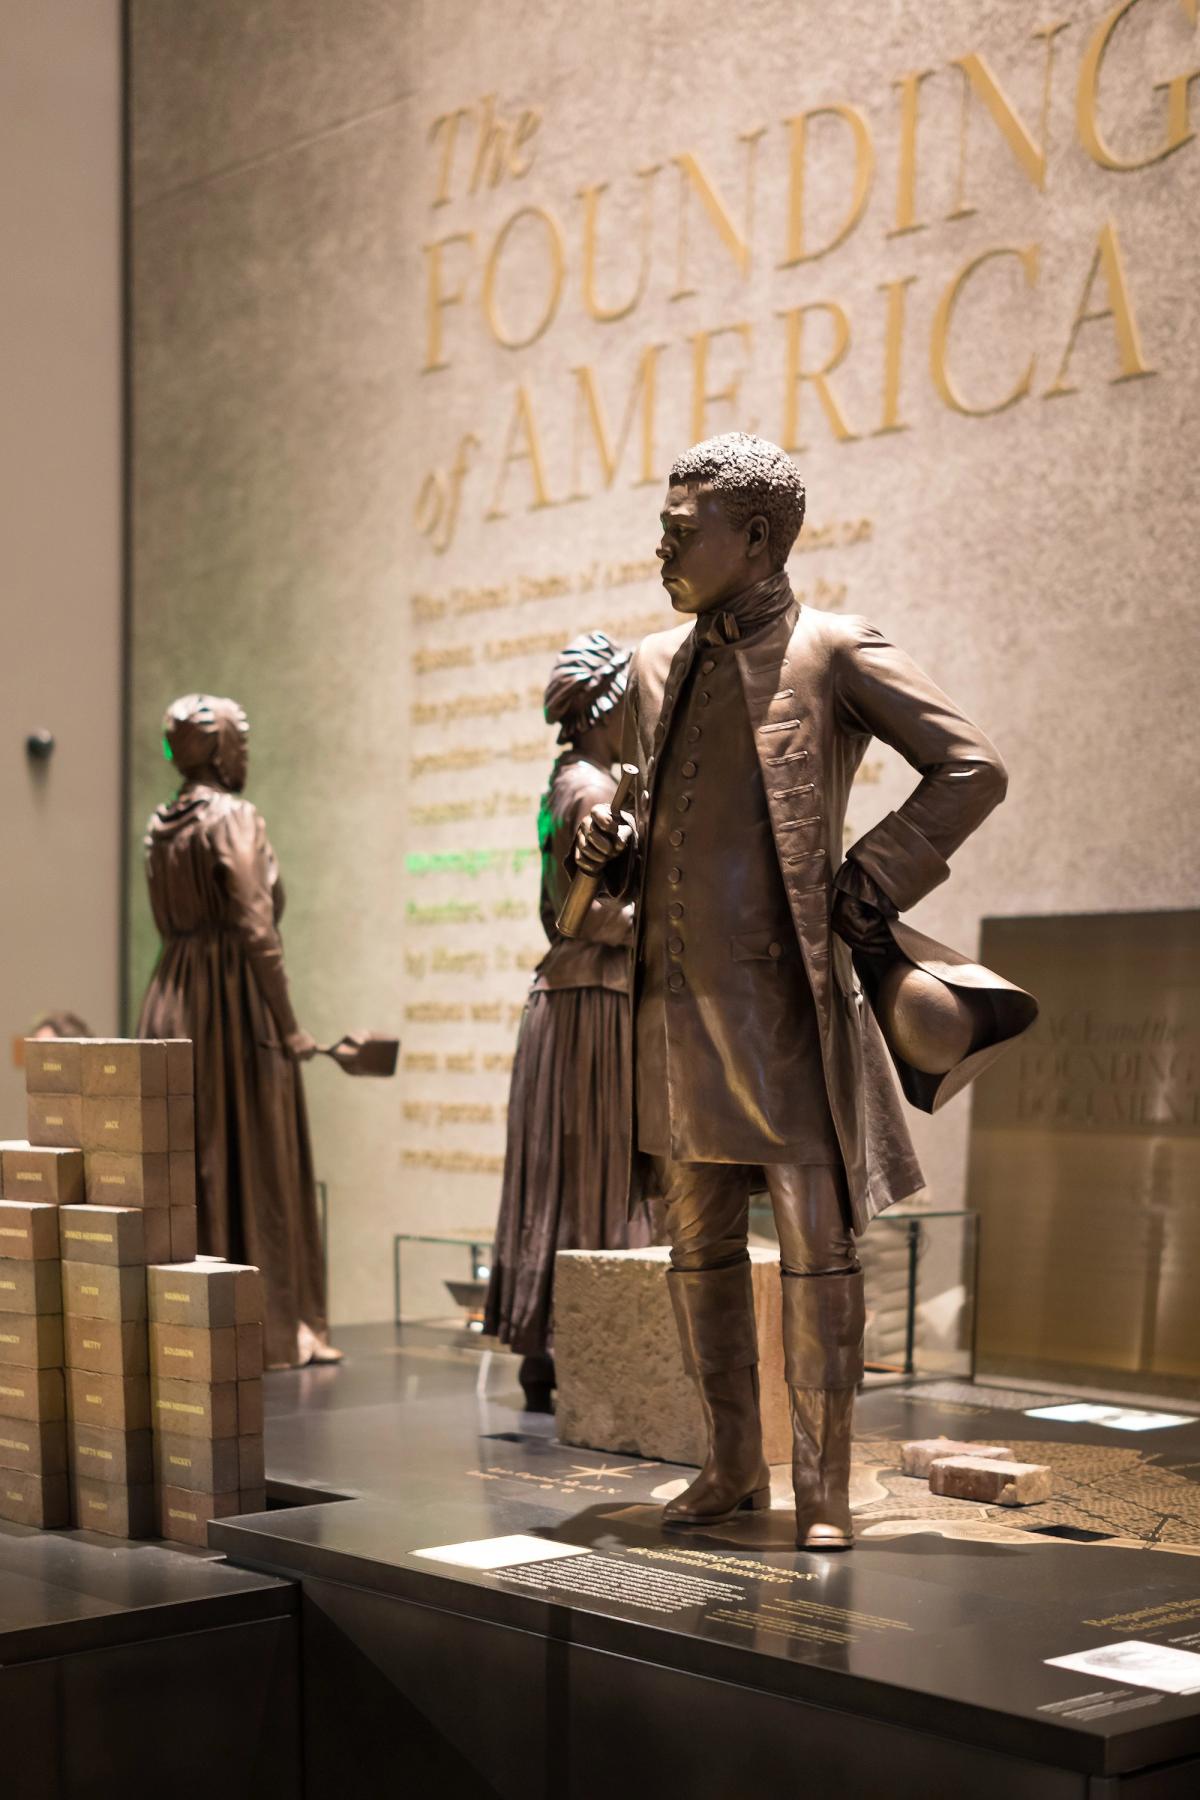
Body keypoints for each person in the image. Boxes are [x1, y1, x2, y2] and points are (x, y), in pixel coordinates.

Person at [575, 433, 1019, 1549]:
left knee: (821, 1249)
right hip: (674, 1004)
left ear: (758, 537)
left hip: (785, 1004)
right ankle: (730, 1465)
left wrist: (869, 881)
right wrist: (613, 832)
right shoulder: (650, 666)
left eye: (684, 530)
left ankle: (821, 1489)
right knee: (697, 1248)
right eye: (664, 526)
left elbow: (970, 767)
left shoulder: (832, 650)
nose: (662, 546)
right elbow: (651, 800)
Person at [137, 694, 337, 1369]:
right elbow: (257, 925)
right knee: (250, 1154)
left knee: (192, 1157)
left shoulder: (160, 825)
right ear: (221, 745)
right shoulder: (233, 818)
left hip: (170, 997)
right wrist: (290, 1026)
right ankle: (271, 1328)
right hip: (230, 1004)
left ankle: (195, 1328)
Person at [484, 632, 653, 1410]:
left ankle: (549, 1351)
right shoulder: (587, 789)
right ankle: (583, 1346)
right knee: (596, 1170)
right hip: (591, 1000)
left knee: (576, 1170)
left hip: (577, 997)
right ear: (605, 708)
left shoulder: (574, 779)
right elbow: (583, 916)